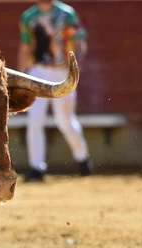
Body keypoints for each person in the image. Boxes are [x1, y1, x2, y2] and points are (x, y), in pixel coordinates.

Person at [18, 0, 93, 182]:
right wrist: (21, 78)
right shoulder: (28, 17)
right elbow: (26, 47)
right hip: (37, 72)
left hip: (62, 71)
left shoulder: (67, 14)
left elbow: (79, 41)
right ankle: (37, 167)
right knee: (35, 120)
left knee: (64, 121)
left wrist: (76, 67)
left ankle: (82, 158)